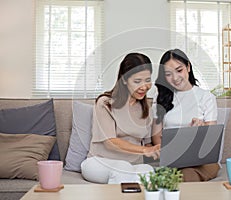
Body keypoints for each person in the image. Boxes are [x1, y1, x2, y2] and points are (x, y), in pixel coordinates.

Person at [81, 53, 160, 184]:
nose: (144, 87)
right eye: (137, 81)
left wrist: (157, 150)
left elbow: (147, 144)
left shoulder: (146, 107)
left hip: (134, 165)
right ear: (124, 79)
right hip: (100, 162)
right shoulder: (106, 103)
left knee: (147, 171)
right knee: (123, 169)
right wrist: (145, 150)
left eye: (147, 80)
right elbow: (110, 142)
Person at [152, 48, 219, 182]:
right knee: (176, 174)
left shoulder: (206, 97)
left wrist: (201, 128)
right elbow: (156, 136)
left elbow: (211, 139)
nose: (175, 78)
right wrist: (167, 153)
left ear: (188, 67)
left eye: (179, 70)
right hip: (172, 159)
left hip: (201, 161)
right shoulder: (160, 98)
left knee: (187, 174)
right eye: (168, 74)